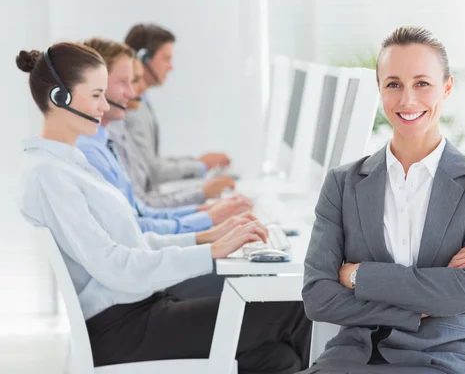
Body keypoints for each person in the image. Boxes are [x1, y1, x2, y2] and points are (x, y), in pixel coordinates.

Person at [17, 42, 311, 373]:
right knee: (296, 311)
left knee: (279, 358)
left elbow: (133, 242)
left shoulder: (71, 164)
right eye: (96, 94)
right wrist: (210, 252)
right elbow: (115, 265)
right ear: (60, 98)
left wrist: (205, 240)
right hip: (123, 329)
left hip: (141, 309)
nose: (104, 107)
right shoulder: (50, 175)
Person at [298, 26, 465, 374]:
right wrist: (417, 305)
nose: (407, 100)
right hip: (351, 359)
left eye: (422, 83)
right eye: (393, 84)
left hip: (441, 360)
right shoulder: (343, 182)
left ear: (447, 88)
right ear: (380, 90)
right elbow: (317, 298)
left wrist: (358, 276)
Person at [77, 37, 252, 235]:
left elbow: (139, 212)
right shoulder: (91, 151)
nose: (133, 92)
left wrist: (203, 213)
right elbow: (134, 230)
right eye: (125, 82)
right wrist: (204, 225)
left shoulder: (104, 140)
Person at [123, 23, 234, 190]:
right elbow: (152, 171)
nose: (171, 67)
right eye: (166, 59)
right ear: (142, 59)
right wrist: (201, 166)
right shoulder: (131, 109)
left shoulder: (142, 102)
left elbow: (152, 161)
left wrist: (199, 162)